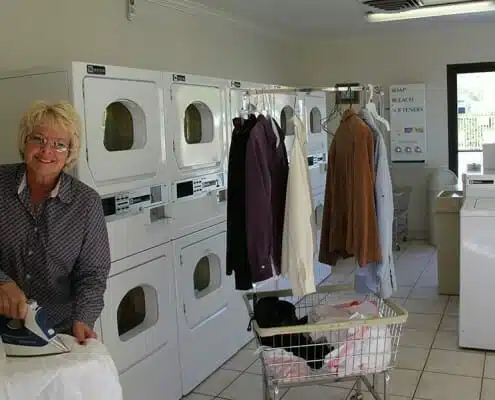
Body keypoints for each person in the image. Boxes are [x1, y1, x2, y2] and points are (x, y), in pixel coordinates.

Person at [0, 100, 111, 344]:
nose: (46, 151)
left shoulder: (86, 203)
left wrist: (84, 319)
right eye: (38, 139)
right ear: (24, 141)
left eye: (59, 144)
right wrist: (3, 283)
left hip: (58, 331)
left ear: (70, 151)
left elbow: (93, 274)